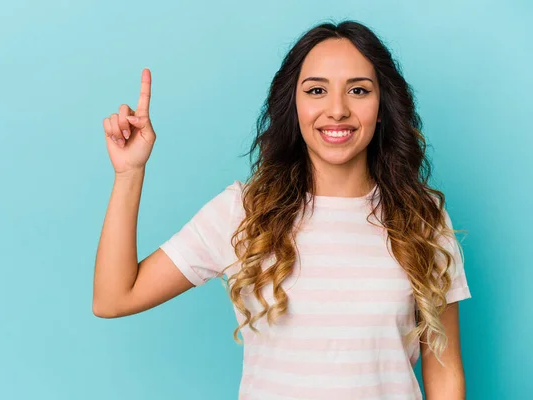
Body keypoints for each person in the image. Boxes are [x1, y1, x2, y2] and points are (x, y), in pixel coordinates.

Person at [93, 20, 472, 400]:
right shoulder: (242, 212)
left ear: (382, 105)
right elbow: (114, 298)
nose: (337, 110)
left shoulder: (422, 218)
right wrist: (129, 173)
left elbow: (444, 368)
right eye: (316, 90)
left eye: (358, 90)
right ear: (293, 103)